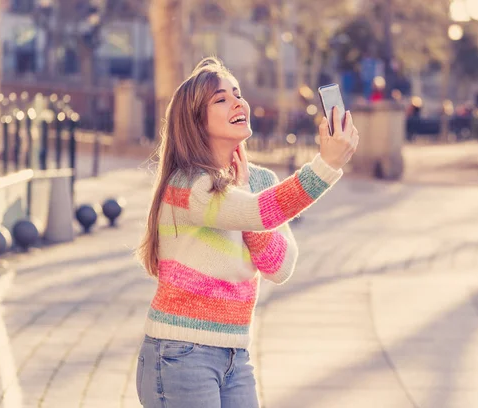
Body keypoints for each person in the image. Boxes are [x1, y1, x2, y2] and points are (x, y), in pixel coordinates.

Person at [135, 56, 359, 408]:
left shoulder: (259, 181)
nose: (238, 102)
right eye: (220, 99)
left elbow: (280, 267)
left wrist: (245, 193)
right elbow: (257, 212)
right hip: (180, 354)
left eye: (237, 93)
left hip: (235, 356)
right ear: (195, 122)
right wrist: (326, 166)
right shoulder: (188, 186)